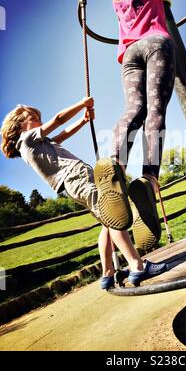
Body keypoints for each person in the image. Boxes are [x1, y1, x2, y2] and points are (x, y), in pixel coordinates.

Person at [0, 98, 167, 290]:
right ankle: (137, 265)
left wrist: (83, 120)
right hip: (77, 178)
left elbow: (62, 134)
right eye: (33, 117)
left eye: (39, 117)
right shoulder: (27, 140)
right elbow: (58, 120)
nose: (39, 120)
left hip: (74, 184)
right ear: (19, 125)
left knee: (107, 222)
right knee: (114, 215)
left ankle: (107, 273)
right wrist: (82, 104)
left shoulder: (40, 144)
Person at [95, 0, 176, 253]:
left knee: (134, 109)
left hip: (130, 55)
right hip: (156, 44)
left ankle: (115, 162)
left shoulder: (119, 1)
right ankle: (149, 178)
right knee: (155, 110)